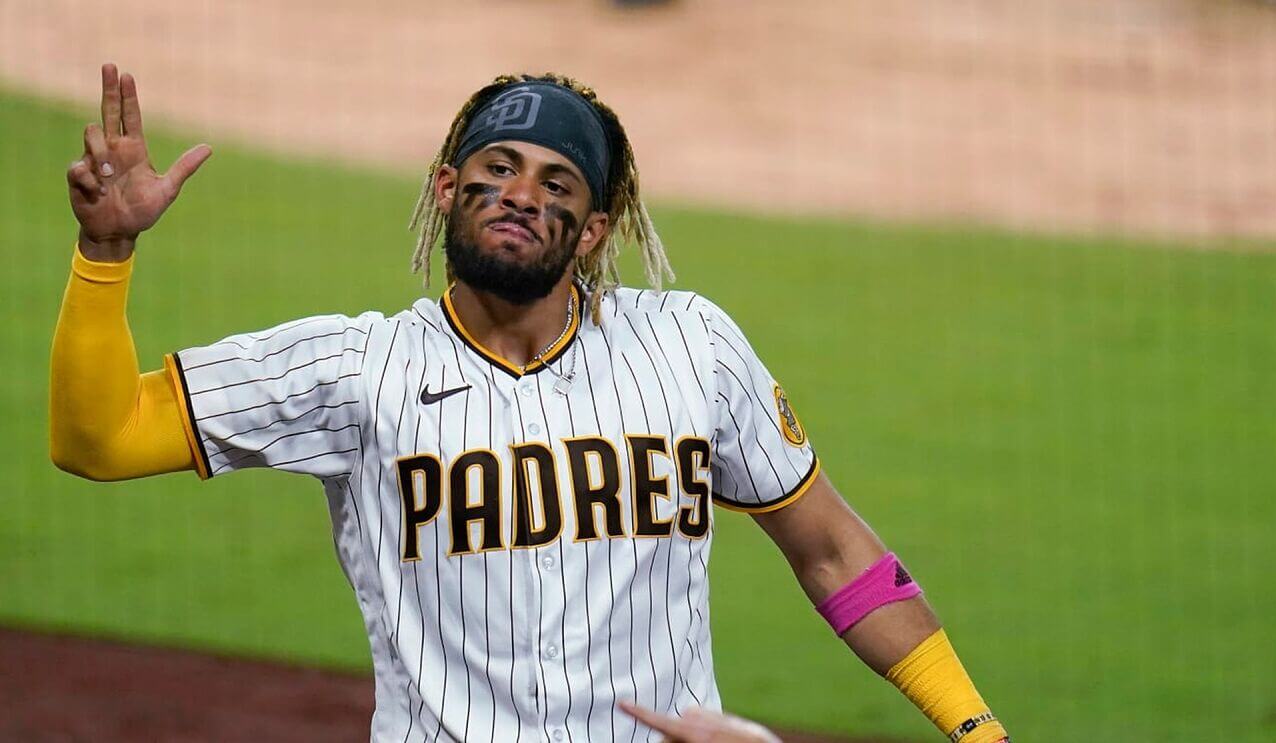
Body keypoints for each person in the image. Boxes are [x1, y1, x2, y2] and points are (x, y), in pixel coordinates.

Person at [51, 63, 1010, 743]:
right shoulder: (356, 369)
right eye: (499, 167)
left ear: (592, 232)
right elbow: (101, 438)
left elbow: (834, 549)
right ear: (446, 187)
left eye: (557, 182)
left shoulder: (691, 344)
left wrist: (977, 728)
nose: (520, 193)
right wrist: (106, 254)